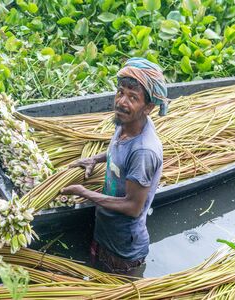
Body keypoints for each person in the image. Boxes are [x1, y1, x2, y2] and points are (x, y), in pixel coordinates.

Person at [61, 57, 169, 276]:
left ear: (148, 107)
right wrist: (95, 159)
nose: (121, 102)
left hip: (123, 251)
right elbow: (118, 152)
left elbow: (133, 207)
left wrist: (85, 193)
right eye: (120, 92)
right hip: (104, 232)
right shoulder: (125, 122)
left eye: (132, 97)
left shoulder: (143, 152)